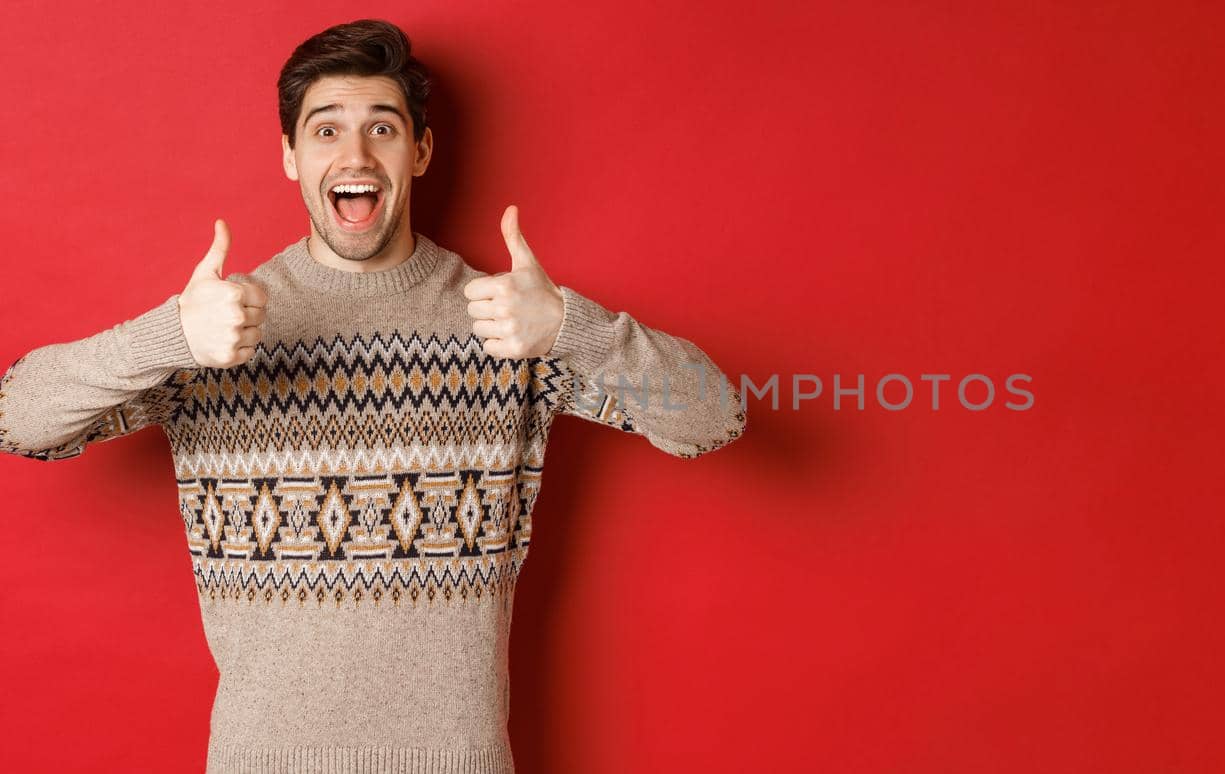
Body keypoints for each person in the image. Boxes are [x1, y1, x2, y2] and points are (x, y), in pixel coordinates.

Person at [0, 18, 746, 773]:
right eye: (326, 130)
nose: (354, 155)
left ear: (418, 151)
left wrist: (572, 328)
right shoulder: (216, 331)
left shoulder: (508, 323)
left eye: (381, 128)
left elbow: (715, 418)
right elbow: (17, 420)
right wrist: (167, 337)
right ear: (290, 156)